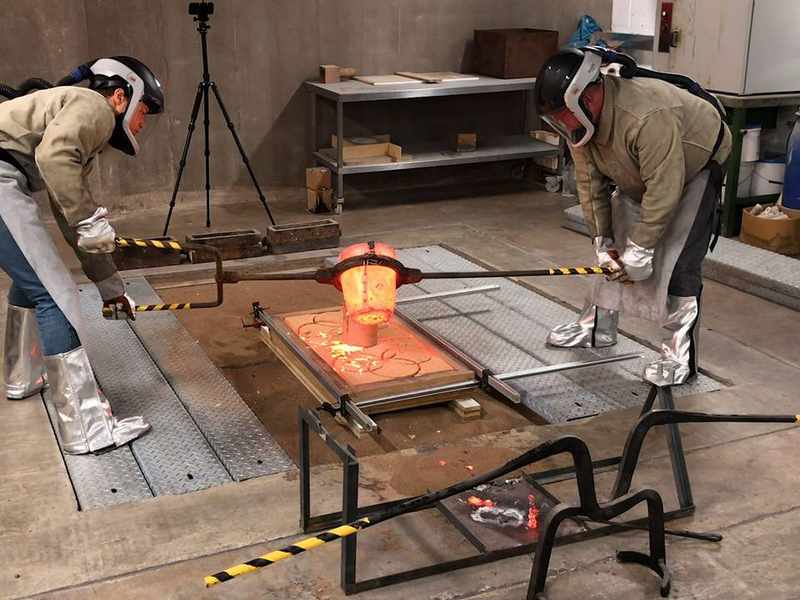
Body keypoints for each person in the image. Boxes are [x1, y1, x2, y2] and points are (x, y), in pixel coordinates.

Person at [534, 47, 731, 387]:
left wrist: (642, 249)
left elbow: (665, 189)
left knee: (679, 261)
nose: (561, 125)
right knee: (612, 256)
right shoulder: (580, 125)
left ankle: (679, 356)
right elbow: (589, 184)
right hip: (644, 167)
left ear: (587, 96)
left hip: (697, 163)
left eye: (562, 115)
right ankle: (596, 328)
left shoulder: (646, 116)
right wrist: (602, 241)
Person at [0, 56, 164, 453]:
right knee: (55, 295)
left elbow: (67, 211)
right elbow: (55, 160)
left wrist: (110, 287)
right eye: (145, 110)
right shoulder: (93, 107)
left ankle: (24, 375)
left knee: (33, 282)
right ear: (121, 97)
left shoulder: (75, 124)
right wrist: (91, 220)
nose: (143, 122)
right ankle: (87, 430)